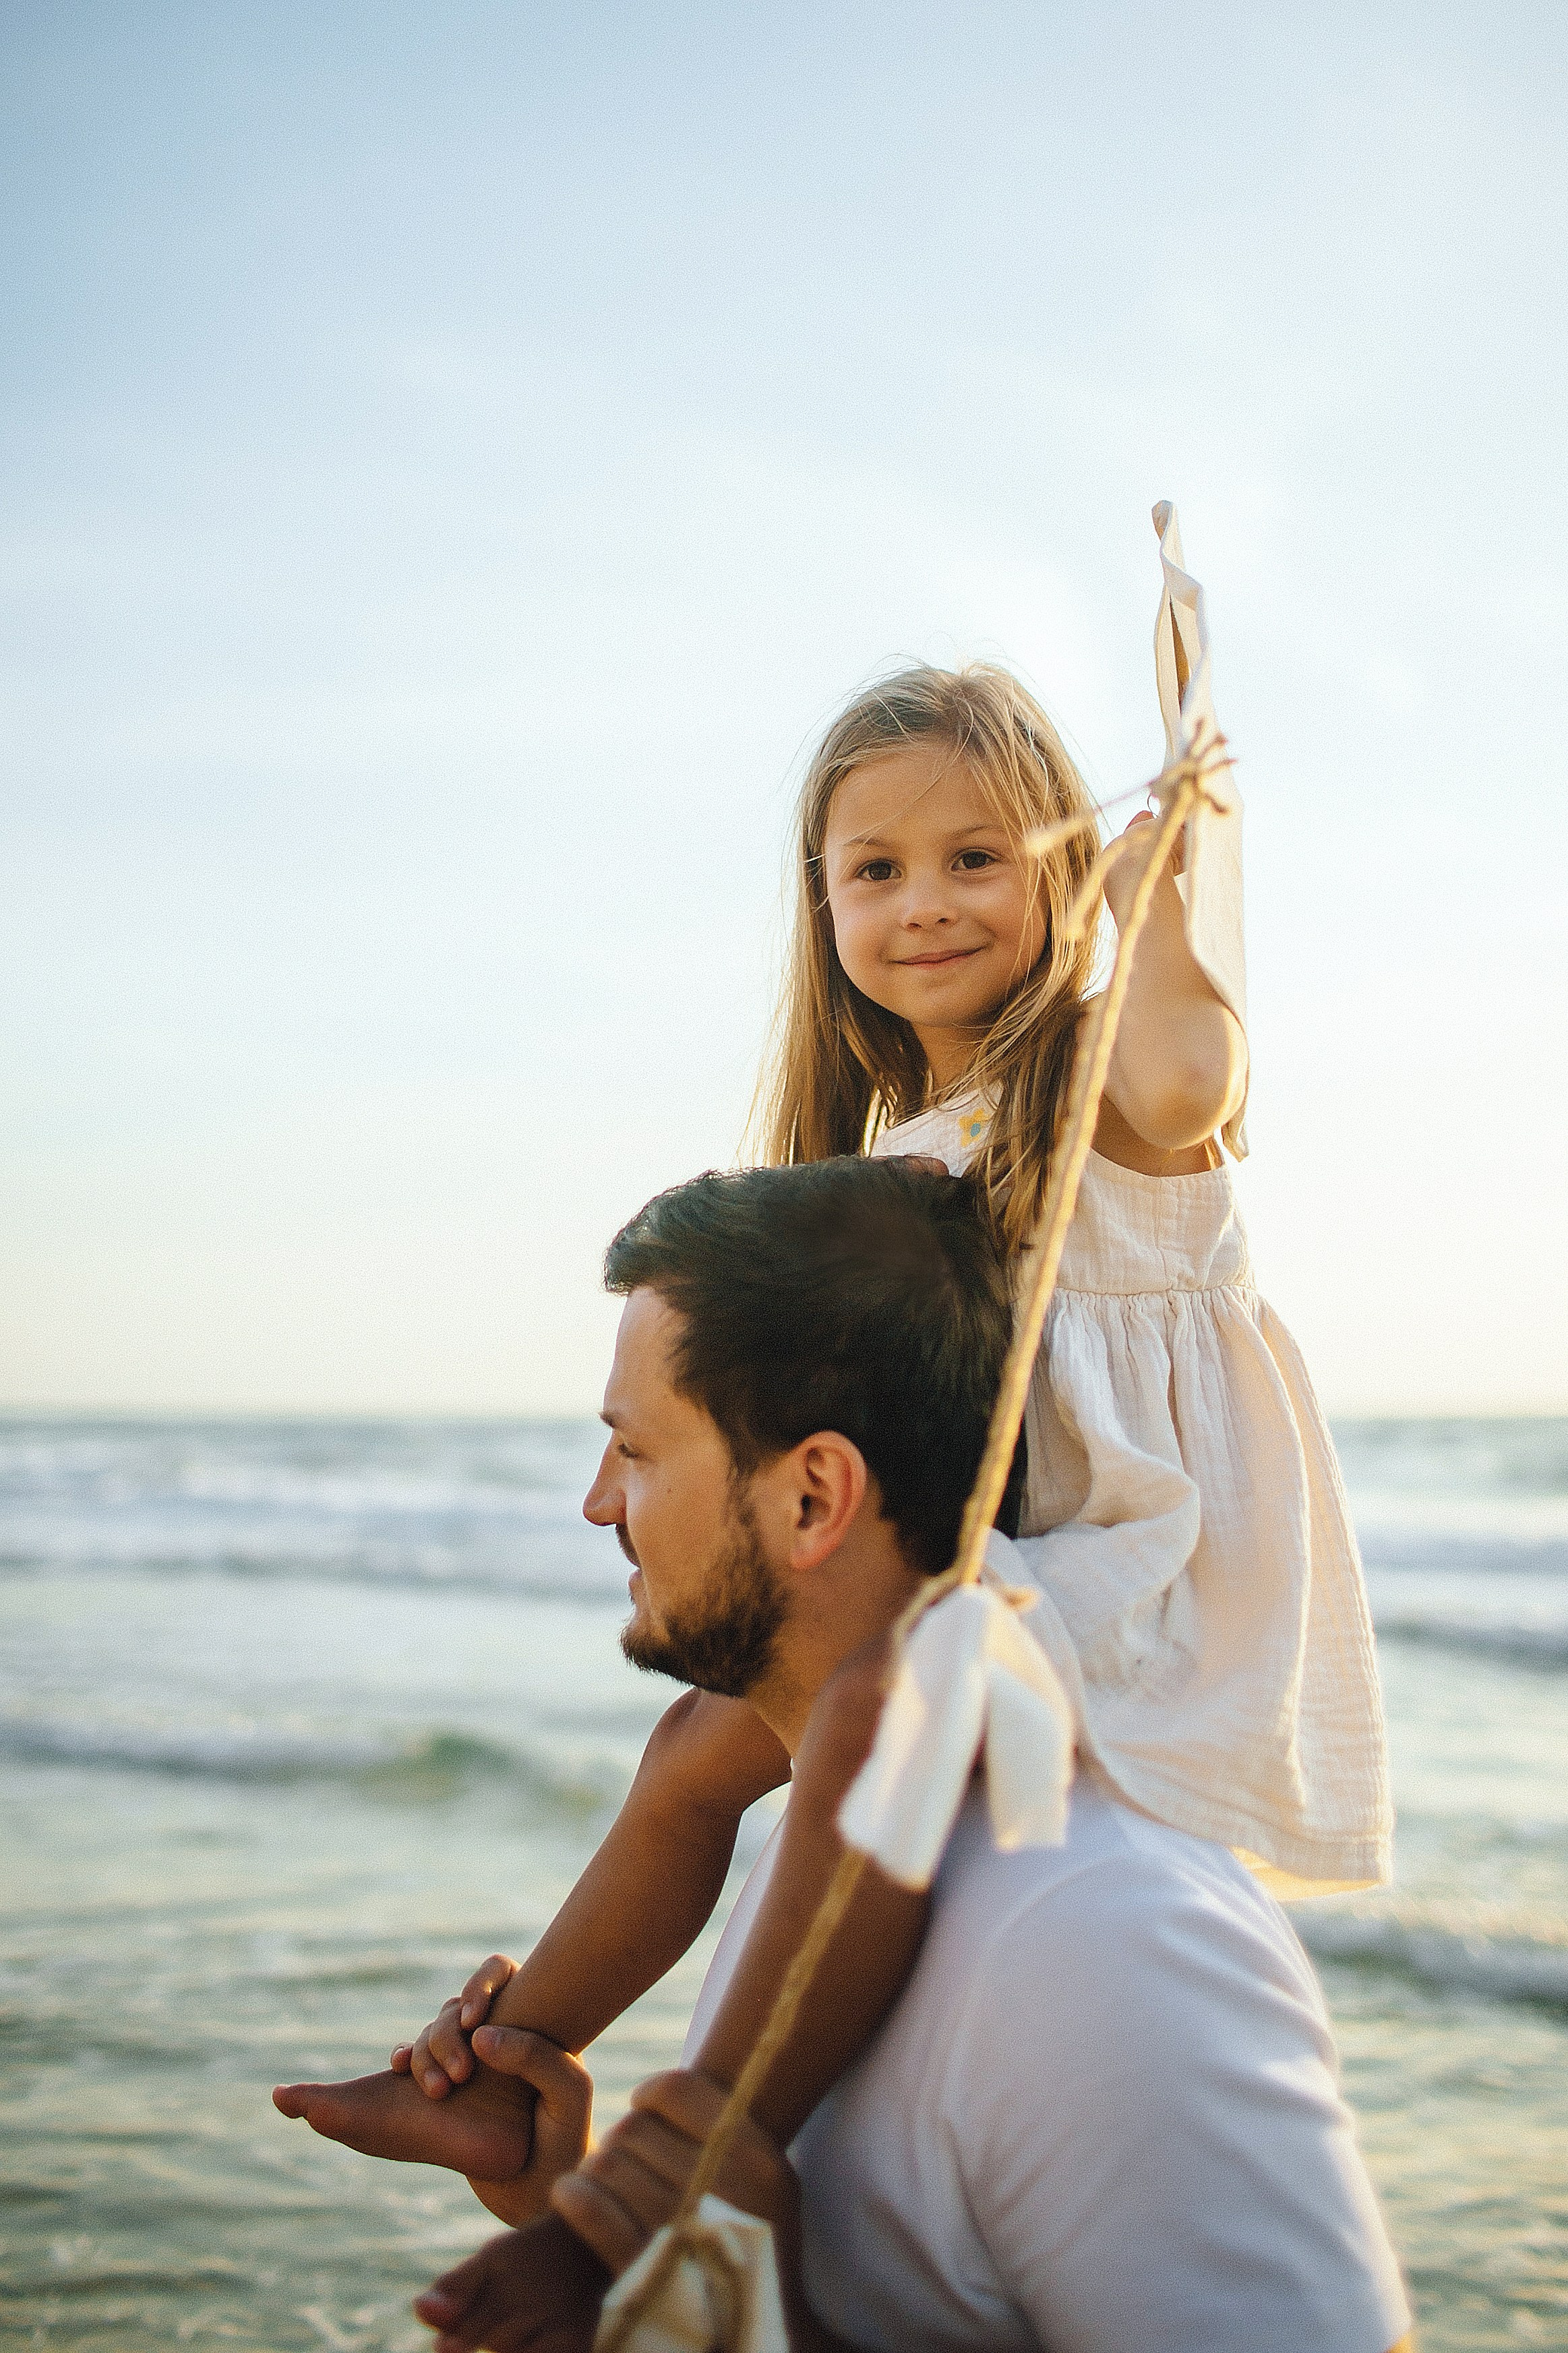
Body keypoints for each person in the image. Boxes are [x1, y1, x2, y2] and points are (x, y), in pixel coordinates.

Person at [276, 656, 1389, 2207]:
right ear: (823, 901)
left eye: (976, 857)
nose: (924, 900)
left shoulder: (1091, 1093)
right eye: (876, 869)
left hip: (1110, 1583)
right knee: (686, 1758)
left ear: (1059, 865)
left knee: (871, 1716)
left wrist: (1153, 909)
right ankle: (497, 2065)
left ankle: (705, 2141)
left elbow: (1190, 1067)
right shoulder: (886, 1163)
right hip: (959, 1568)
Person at [405, 1159, 1411, 2353]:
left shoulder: (1099, 1944)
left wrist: (747, 2327)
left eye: (636, 1450)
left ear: (815, 1494)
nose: (596, 1503)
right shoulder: (816, 1867)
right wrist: (627, 2264)